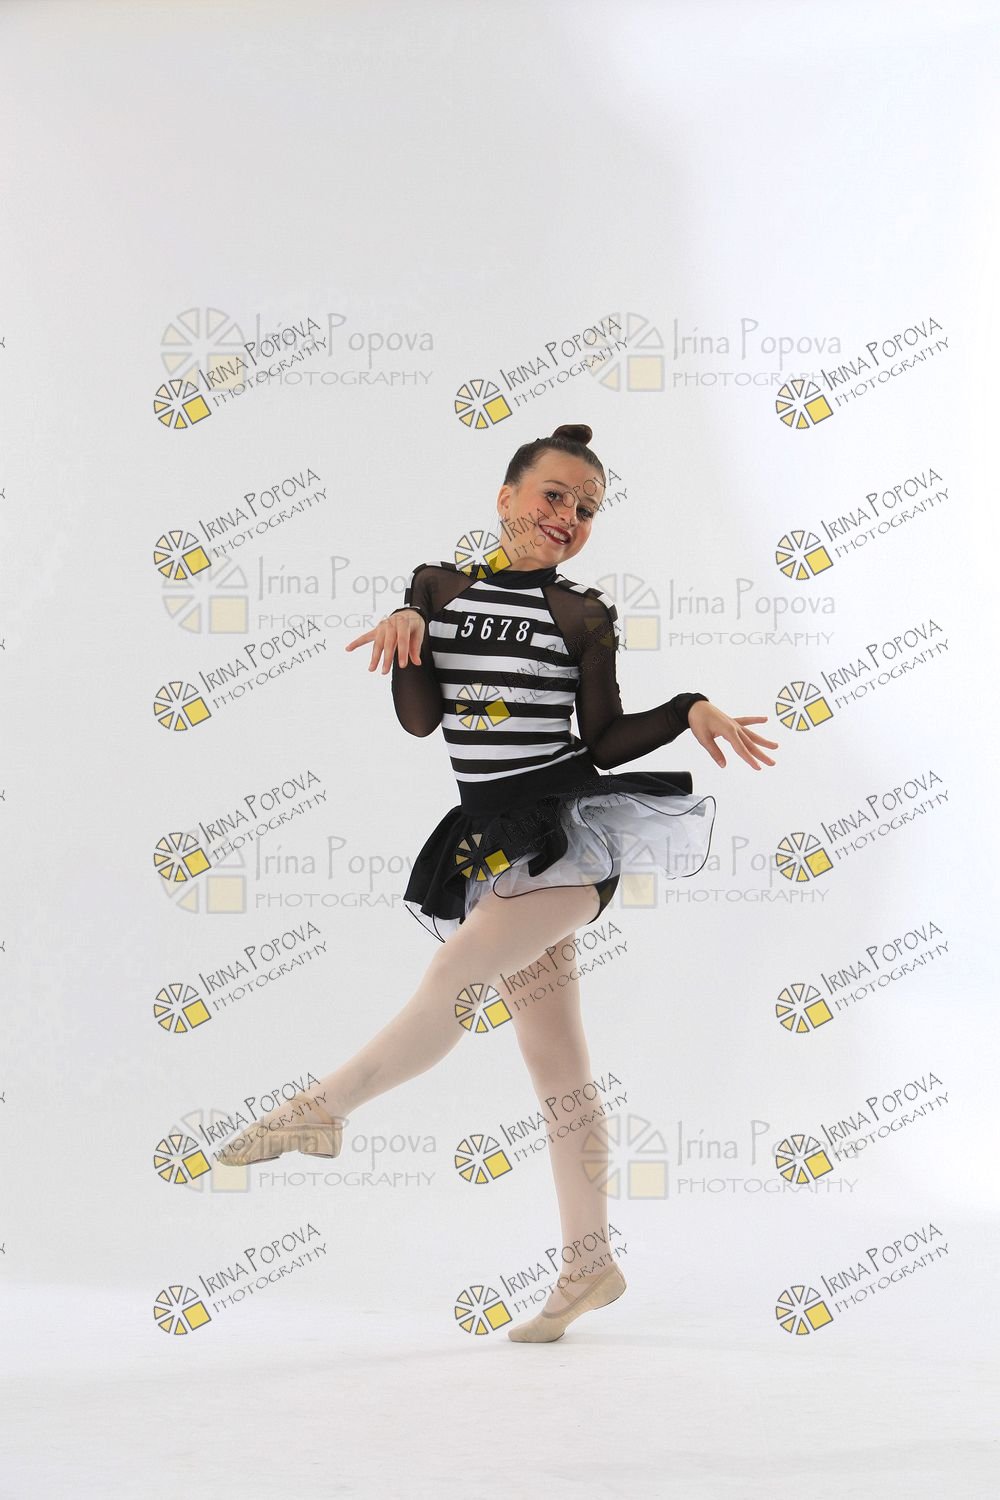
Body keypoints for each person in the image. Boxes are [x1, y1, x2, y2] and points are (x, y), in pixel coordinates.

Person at [216, 424, 778, 1342]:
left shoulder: (582, 614)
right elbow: (420, 721)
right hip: (489, 842)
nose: (569, 516)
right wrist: (409, 634)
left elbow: (604, 741)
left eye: (587, 508)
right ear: (507, 496)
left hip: (568, 835)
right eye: (555, 494)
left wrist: (688, 708)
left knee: (453, 975)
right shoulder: (437, 589)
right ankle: (591, 1265)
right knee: (558, 1067)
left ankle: (323, 1109)